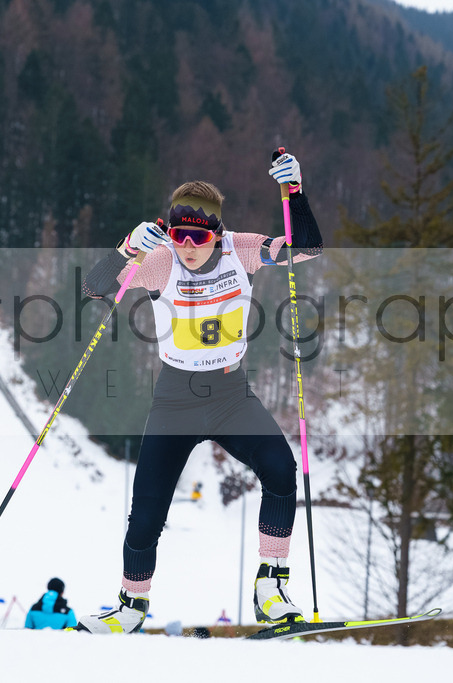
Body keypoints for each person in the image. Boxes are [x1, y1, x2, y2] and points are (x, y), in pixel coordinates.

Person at [76, 152, 323, 634]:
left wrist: (295, 191)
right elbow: (94, 287)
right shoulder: (158, 262)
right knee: (147, 511)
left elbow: (307, 248)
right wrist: (127, 249)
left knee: (280, 469)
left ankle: (271, 588)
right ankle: (130, 607)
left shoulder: (242, 249)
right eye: (177, 234)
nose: (188, 246)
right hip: (176, 399)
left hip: (231, 393)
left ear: (217, 232)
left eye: (199, 236)